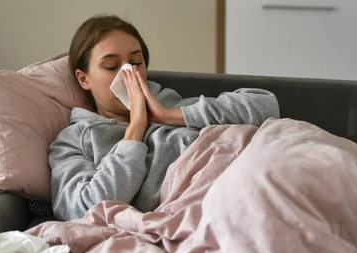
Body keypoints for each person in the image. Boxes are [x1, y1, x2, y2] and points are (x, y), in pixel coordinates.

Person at [50, 15, 280, 221]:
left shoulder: (168, 101)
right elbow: (84, 210)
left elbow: (266, 105)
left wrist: (169, 115)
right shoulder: (74, 140)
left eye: (136, 63)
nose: (127, 73)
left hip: (256, 160)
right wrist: (135, 131)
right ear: (83, 79)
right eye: (111, 66)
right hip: (214, 196)